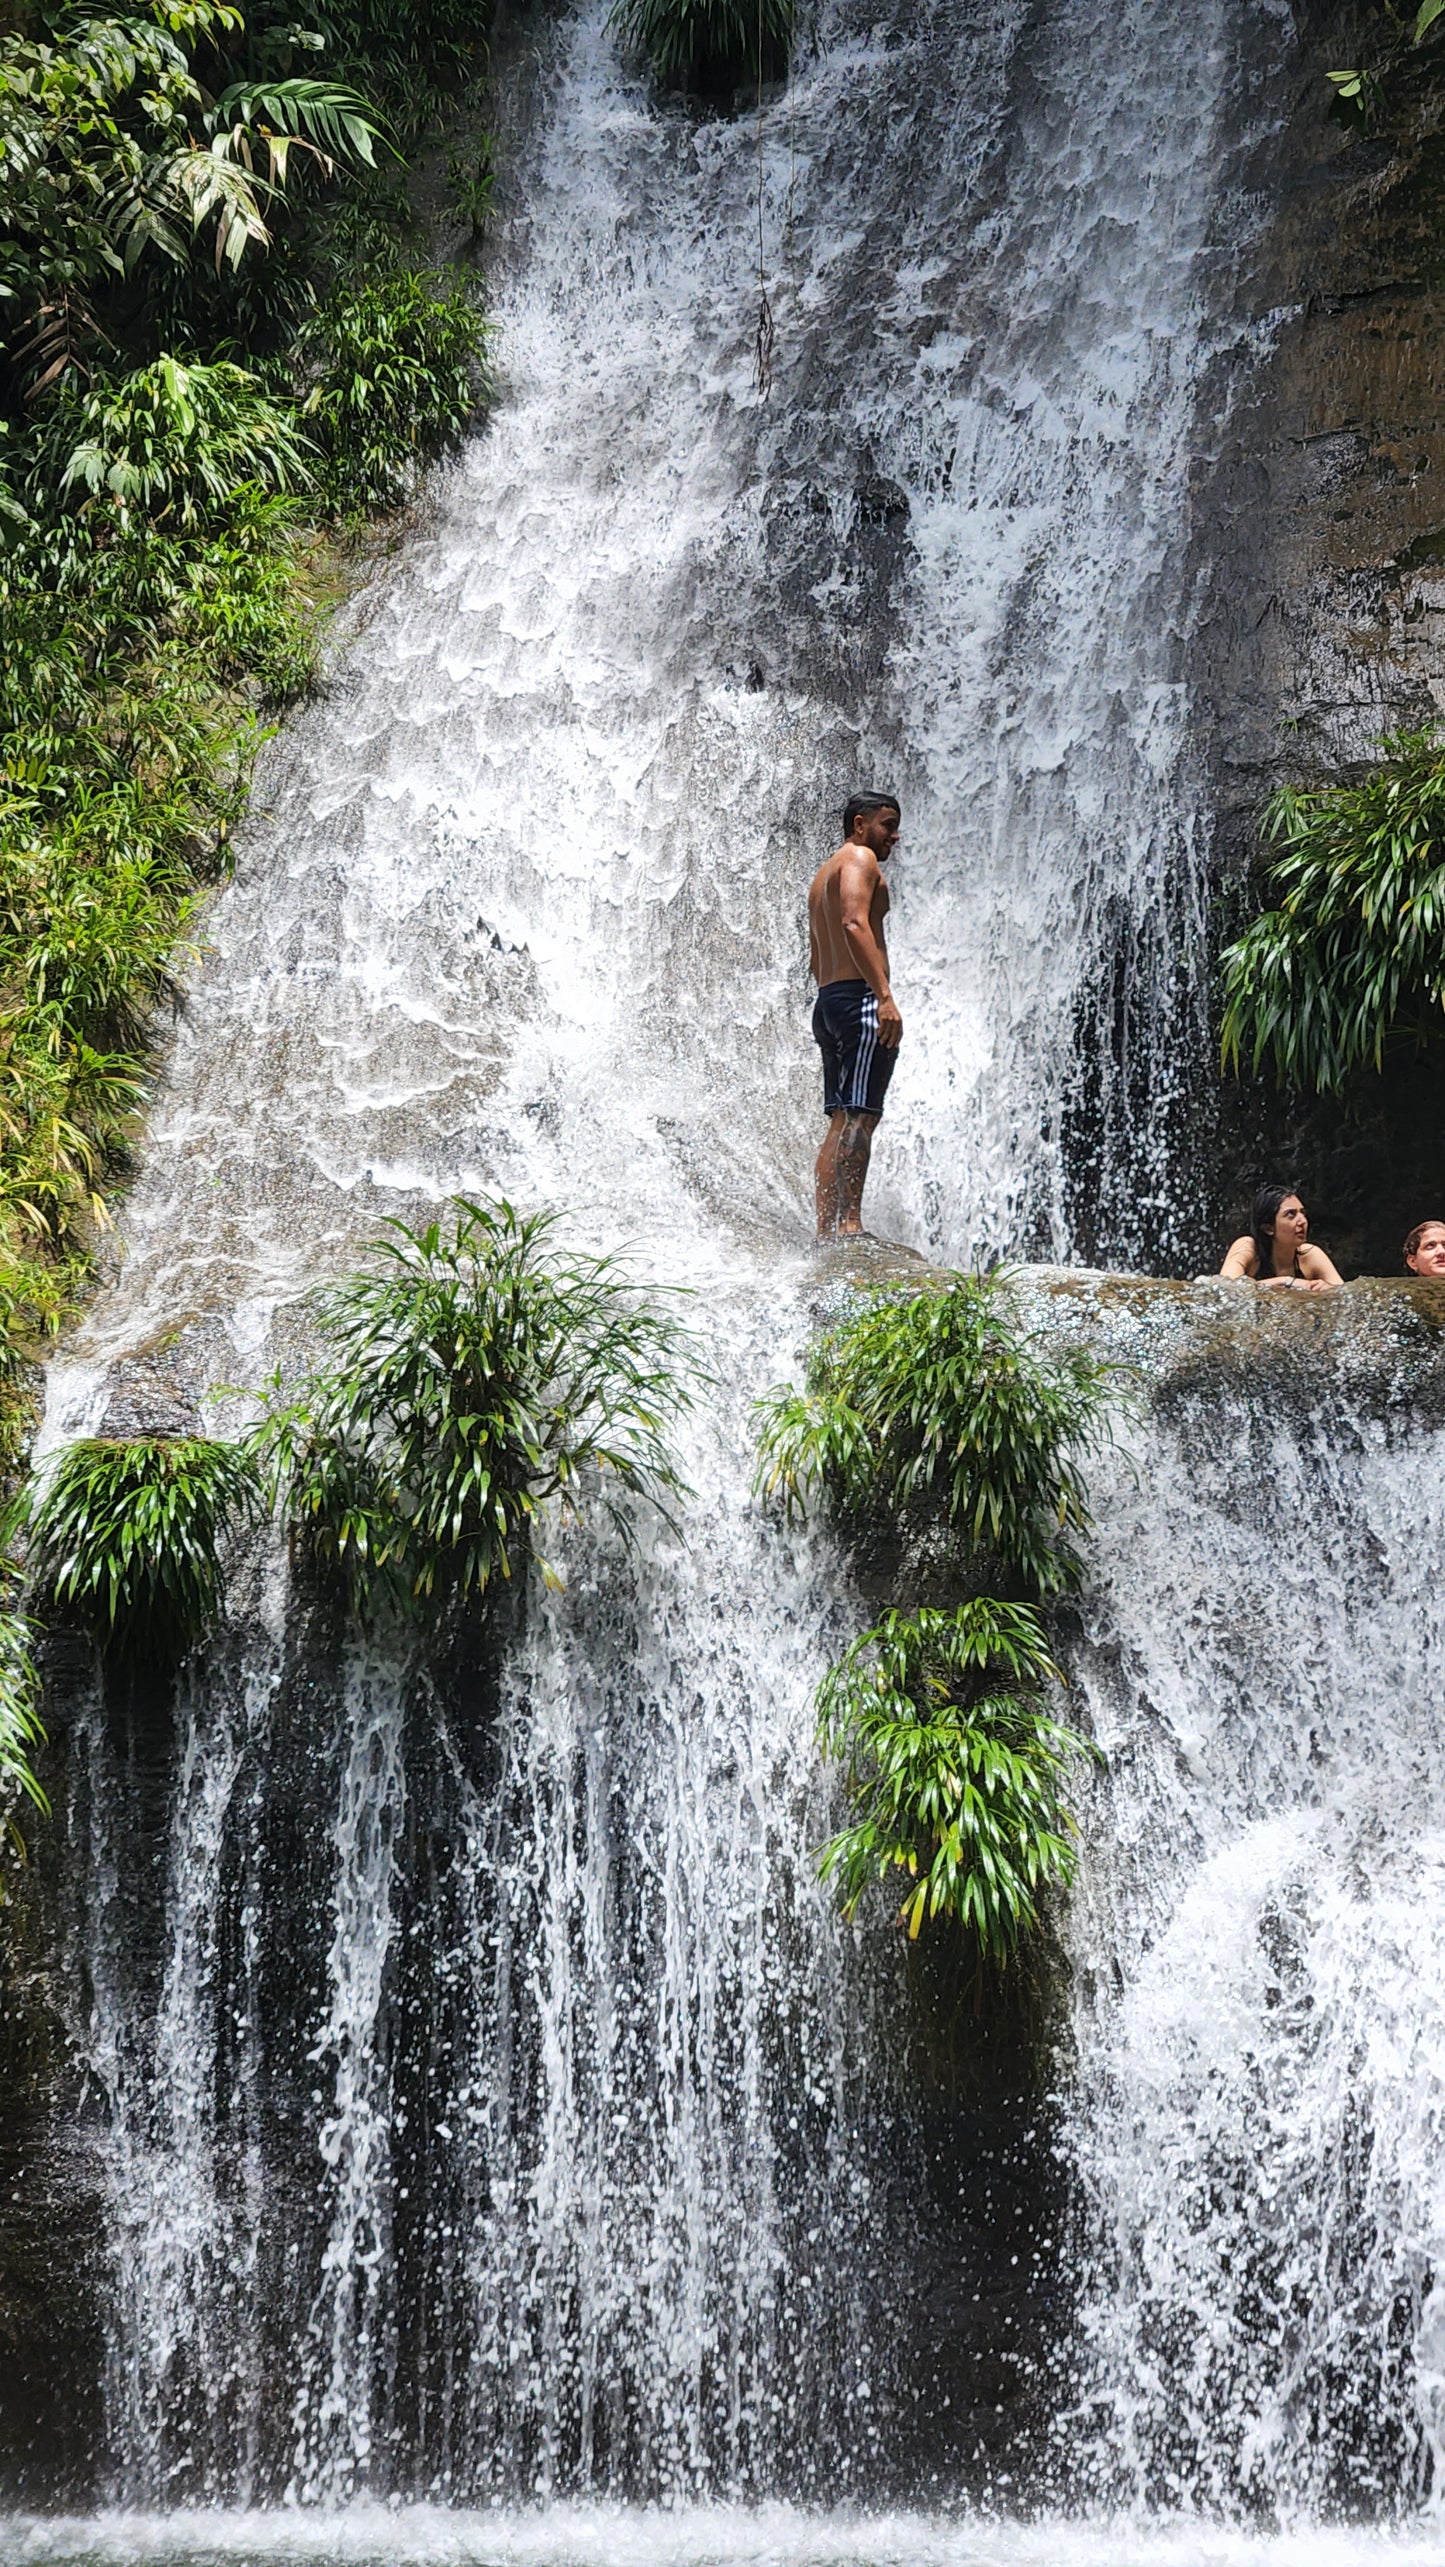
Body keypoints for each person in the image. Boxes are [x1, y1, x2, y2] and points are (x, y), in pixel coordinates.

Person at [808, 792, 902, 1238]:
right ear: (860, 824)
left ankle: (825, 1227)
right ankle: (850, 1224)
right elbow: (853, 922)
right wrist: (882, 994)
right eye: (888, 825)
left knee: (842, 1117)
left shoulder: (822, 875)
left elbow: (814, 959)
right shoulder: (861, 858)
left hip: (828, 1001)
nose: (895, 836)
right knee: (862, 1115)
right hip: (859, 1000)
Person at [1220, 1183, 1343, 1292]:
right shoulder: (1247, 1247)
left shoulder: (1310, 1254)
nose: (1302, 1221)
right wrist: (1286, 1282)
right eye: (1291, 1214)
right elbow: (1225, 1289)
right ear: (1268, 1228)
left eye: (1302, 1213)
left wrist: (1328, 1290)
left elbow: (1346, 1296)